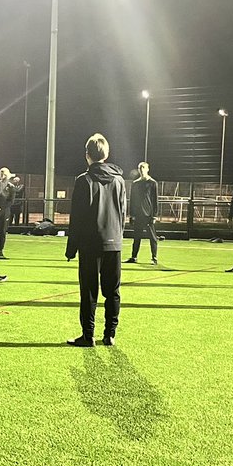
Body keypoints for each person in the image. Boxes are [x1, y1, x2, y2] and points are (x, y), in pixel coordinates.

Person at [66, 133, 127, 346]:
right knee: (113, 291)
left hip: (90, 244)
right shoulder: (119, 180)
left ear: (87, 155)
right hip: (114, 242)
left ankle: (88, 336)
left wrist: (71, 247)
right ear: (106, 154)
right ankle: (110, 334)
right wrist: (118, 237)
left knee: (89, 291)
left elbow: (77, 217)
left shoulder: (84, 180)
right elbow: (123, 213)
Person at [125, 161, 159, 264]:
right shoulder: (135, 184)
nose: (142, 170)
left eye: (143, 168)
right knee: (136, 237)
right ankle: (134, 257)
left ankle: (154, 258)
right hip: (138, 215)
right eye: (140, 168)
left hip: (148, 216)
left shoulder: (153, 183)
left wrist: (154, 215)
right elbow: (133, 200)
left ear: (147, 169)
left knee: (152, 238)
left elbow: (155, 200)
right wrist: (132, 215)